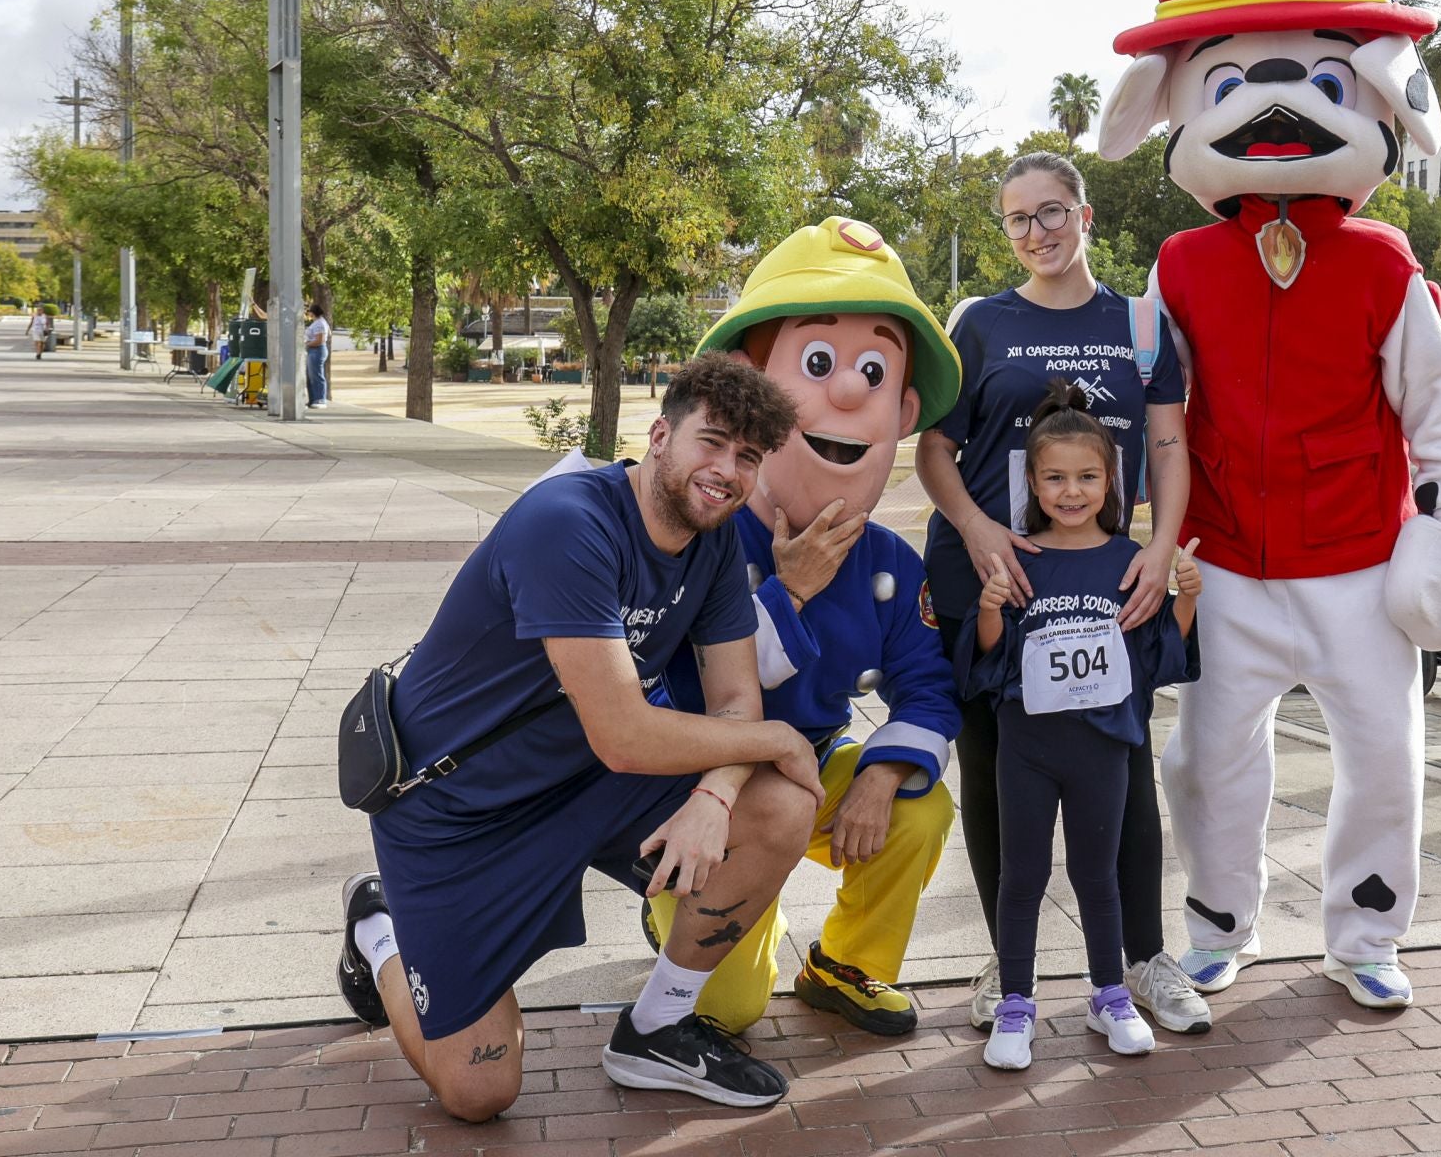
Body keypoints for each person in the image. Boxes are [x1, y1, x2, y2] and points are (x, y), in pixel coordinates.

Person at [1097, 0, 1441, 1010]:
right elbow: (1140, 404)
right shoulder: (1177, 264)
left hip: (1360, 560)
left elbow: (1440, 416)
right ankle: (1220, 921)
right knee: (1206, 761)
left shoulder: (1381, 263)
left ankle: (1366, 934)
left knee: (1386, 757)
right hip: (1224, 563)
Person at [334, 354, 824, 1119]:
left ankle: (658, 1030)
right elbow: (625, 734)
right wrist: (769, 741)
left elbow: (737, 703)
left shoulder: (716, 542)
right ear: (661, 435)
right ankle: (380, 928)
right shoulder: (568, 523)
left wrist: (718, 792)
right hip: (455, 812)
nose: (728, 471)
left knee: (781, 804)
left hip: (588, 782)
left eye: (748, 458)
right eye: (714, 442)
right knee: (478, 1092)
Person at [643, 217, 963, 1037]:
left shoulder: (889, 560)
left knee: (921, 809)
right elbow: (678, 675)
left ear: (906, 407)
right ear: (752, 384)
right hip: (706, 797)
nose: (849, 394)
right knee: (728, 1011)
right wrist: (786, 590)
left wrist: (884, 775)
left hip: (812, 772)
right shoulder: (700, 534)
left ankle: (846, 964)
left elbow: (929, 688)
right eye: (817, 365)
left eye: (873, 371)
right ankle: (717, 914)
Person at [914, 151, 1210, 1036]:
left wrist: (1159, 547)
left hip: (1099, 577)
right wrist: (972, 528)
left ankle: (1145, 959)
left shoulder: (1141, 322)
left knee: (1119, 763)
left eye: (1051, 213)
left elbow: (1165, 446)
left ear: (1084, 216)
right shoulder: (978, 323)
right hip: (991, 577)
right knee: (997, 772)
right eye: (1018, 220)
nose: (1036, 233)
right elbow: (935, 449)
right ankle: (1007, 972)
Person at [954, 382, 1202, 1071]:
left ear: (1111, 479)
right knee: (1022, 876)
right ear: (1031, 481)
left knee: (1099, 875)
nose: (1071, 491)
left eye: (1087, 477)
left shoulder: (1129, 562)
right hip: (1027, 752)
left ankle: (1109, 997)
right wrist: (991, 606)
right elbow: (988, 662)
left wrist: (1186, 601)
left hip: (1103, 751)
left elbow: (1154, 662)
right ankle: (1016, 1004)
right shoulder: (1015, 558)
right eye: (1055, 478)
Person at [305, 300, 331, 407]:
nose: (308, 314)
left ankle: (320, 399)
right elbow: (329, 334)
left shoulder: (319, 323)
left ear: (313, 313)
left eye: (309, 312)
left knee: (316, 375)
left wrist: (307, 344)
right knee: (311, 375)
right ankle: (313, 399)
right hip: (314, 350)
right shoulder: (319, 322)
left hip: (317, 350)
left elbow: (319, 340)